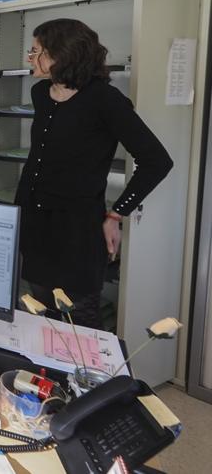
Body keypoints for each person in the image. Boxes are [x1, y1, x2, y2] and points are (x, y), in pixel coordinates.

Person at [17, 19, 173, 328]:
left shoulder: (105, 100)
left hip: (77, 231)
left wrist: (116, 214)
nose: (29, 57)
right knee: (41, 316)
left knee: (80, 327)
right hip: (34, 225)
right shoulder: (40, 93)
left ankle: (94, 378)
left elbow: (157, 160)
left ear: (61, 55)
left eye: (35, 51)